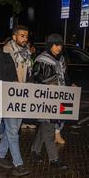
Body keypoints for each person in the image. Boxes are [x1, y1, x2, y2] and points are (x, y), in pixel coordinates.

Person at [0, 25, 32, 177]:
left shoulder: (27, 55)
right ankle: (18, 164)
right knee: (13, 131)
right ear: (14, 37)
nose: (25, 39)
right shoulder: (4, 53)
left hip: (22, 97)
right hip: (7, 97)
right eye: (22, 35)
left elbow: (29, 76)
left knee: (12, 130)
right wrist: (10, 83)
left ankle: (0, 156)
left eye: (26, 36)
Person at [31, 34, 70, 170]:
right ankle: (54, 159)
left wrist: (70, 85)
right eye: (55, 45)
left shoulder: (61, 59)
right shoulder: (42, 60)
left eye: (60, 45)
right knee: (49, 127)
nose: (58, 47)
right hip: (45, 99)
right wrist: (49, 84)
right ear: (49, 45)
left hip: (58, 97)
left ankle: (35, 151)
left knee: (46, 125)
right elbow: (35, 78)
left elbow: (64, 76)